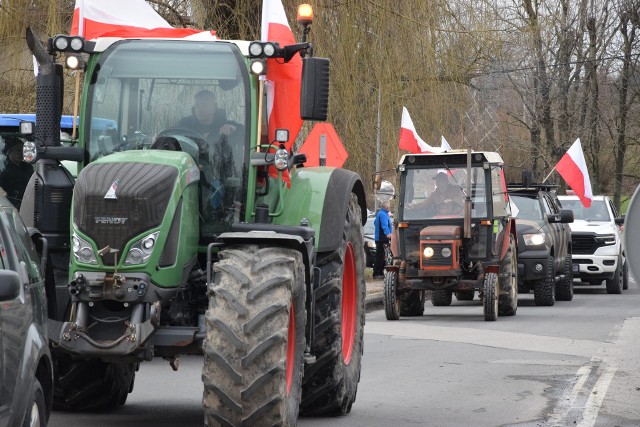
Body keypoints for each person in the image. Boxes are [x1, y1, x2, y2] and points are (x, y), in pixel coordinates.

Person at [0, 139, 34, 210]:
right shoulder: (3, 169)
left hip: (29, 203)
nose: (21, 153)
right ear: (9, 151)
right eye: (18, 150)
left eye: (23, 150)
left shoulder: (28, 167)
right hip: (10, 206)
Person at [373, 201, 393, 279]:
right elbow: (384, 225)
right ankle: (377, 273)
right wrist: (388, 234)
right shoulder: (383, 214)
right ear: (386, 207)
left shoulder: (381, 214)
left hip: (380, 238)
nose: (390, 207)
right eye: (389, 205)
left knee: (381, 256)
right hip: (382, 238)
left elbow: (375, 223)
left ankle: (379, 272)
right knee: (380, 256)